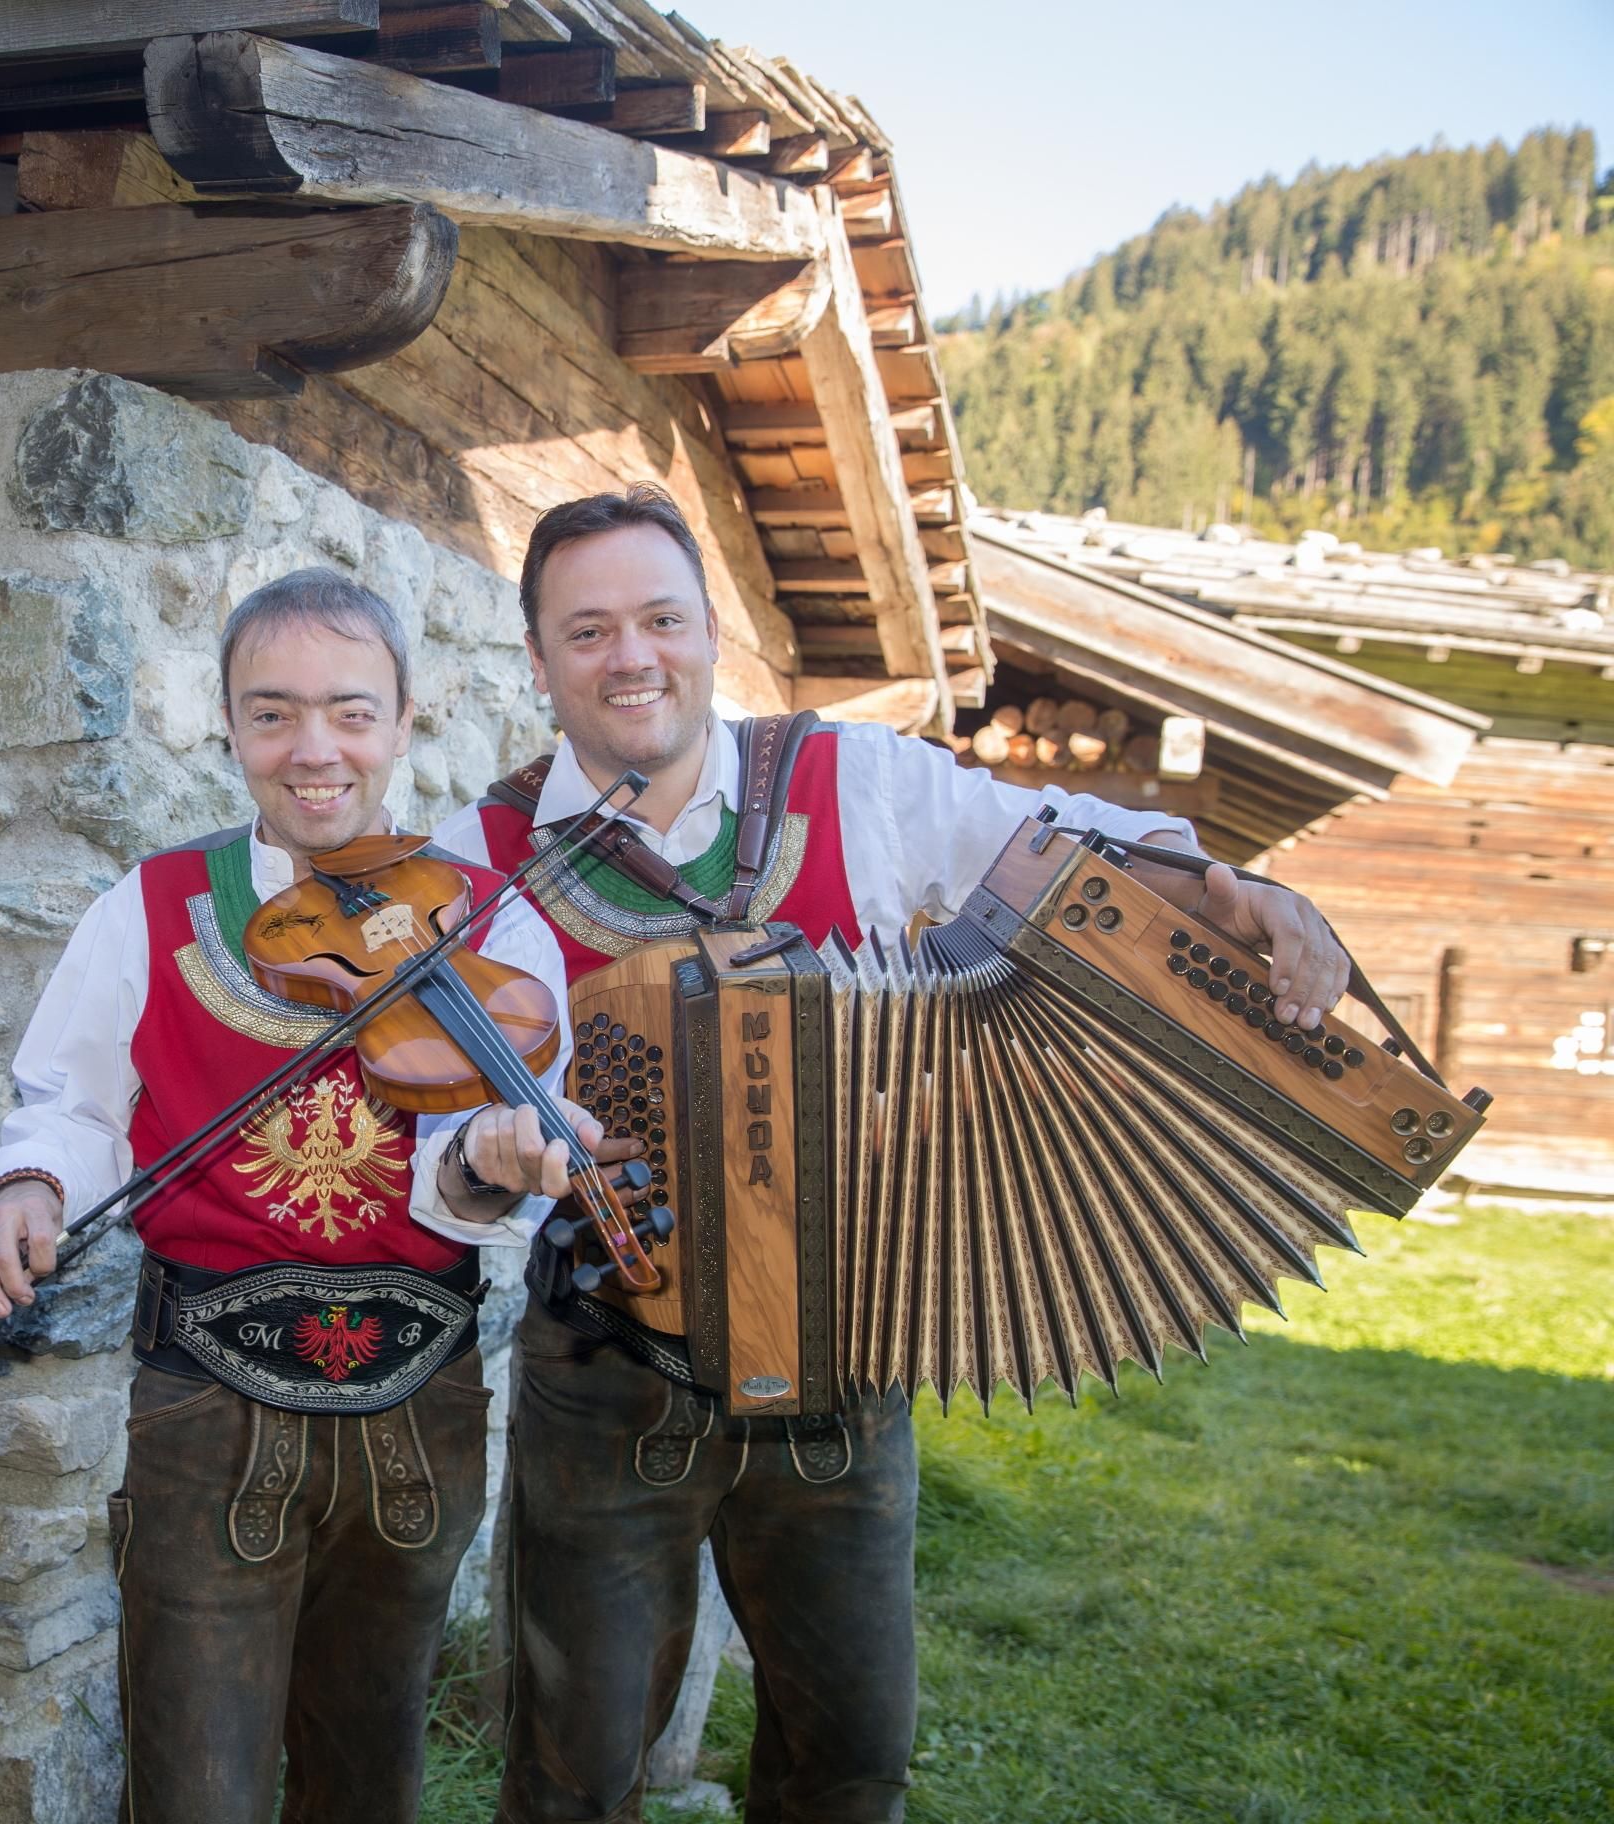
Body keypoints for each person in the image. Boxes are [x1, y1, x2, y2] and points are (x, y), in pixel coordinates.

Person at [428, 486, 1350, 1824]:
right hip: (609, 1371)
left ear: (709, 632)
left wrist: (1224, 884)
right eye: (589, 630)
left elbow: (1058, 848)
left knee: (853, 1760)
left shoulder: (851, 780)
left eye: (662, 619)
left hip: (847, 1363)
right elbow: (442, 1154)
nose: (633, 657)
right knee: (573, 1774)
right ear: (538, 659)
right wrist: (489, 1160)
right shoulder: (480, 861)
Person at [0, 569, 598, 1824]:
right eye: (273, 713)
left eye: (351, 712)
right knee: (198, 1787)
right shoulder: (152, 905)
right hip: (206, 1400)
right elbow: (71, 1103)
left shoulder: (492, 924)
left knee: (370, 1779)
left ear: (403, 719)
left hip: (418, 1402)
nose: (314, 750)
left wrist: (492, 1161)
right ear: (230, 724)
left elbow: (467, 1175)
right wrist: (28, 1182)